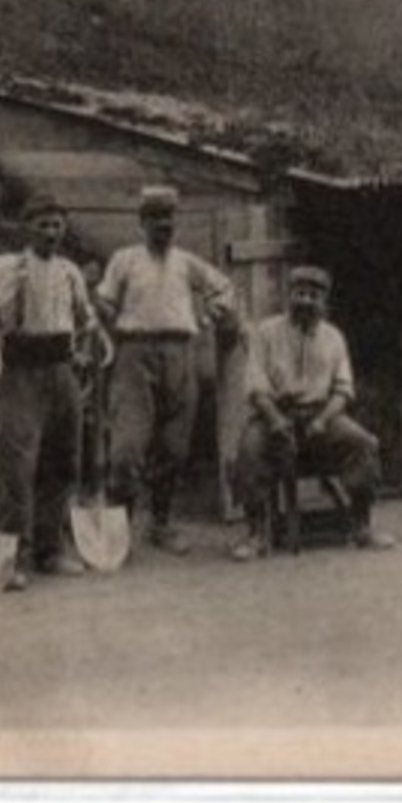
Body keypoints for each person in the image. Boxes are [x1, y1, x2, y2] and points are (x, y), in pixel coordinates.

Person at [0, 193, 102, 591]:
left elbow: (86, 320)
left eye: (57, 225)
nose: (50, 232)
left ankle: (51, 549)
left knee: (64, 459)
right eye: (42, 224)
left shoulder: (70, 272)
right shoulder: (7, 267)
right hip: (21, 371)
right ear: (28, 228)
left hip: (62, 371)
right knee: (17, 464)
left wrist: (85, 346)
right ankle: (13, 556)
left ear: (64, 229)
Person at [95, 186, 237, 555]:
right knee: (127, 446)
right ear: (142, 222)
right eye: (156, 218)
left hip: (180, 353)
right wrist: (105, 319)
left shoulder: (187, 263)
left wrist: (208, 316)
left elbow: (224, 288)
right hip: (134, 354)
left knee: (174, 446)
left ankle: (161, 524)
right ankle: (119, 531)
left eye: (169, 218)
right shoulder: (125, 259)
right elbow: (105, 301)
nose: (164, 225)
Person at [229, 266, 394, 561]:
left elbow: (343, 391)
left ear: (324, 302)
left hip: (321, 415)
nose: (305, 301)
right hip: (274, 415)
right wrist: (276, 420)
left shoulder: (334, 338)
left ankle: (362, 526)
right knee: (249, 448)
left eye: (313, 295)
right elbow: (256, 388)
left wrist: (322, 420)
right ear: (288, 296)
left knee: (363, 443)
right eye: (299, 293)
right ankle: (256, 534)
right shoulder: (266, 333)